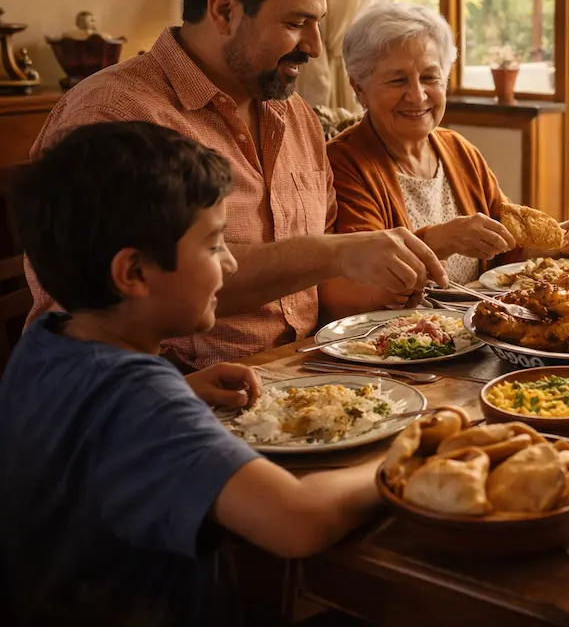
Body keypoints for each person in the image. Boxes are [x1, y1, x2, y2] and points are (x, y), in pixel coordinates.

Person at [0, 122, 392, 626]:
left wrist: (180, 391)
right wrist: (404, 457)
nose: (229, 264)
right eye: (213, 245)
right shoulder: (142, 399)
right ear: (134, 273)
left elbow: (83, 428)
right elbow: (297, 521)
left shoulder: (47, 341)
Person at [25, 0, 447, 368]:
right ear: (224, 10)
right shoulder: (114, 116)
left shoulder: (296, 116)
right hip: (174, 396)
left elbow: (316, 280)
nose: (314, 47)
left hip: (311, 378)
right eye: (297, 22)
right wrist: (339, 253)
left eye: (318, 23)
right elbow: (105, 305)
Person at [325, 3, 569, 313]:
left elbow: (504, 254)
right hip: (398, 341)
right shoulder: (342, 163)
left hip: (478, 330)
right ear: (359, 88)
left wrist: (556, 245)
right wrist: (441, 241)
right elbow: (367, 279)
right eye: (397, 81)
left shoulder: (458, 150)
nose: (418, 95)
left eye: (429, 77)